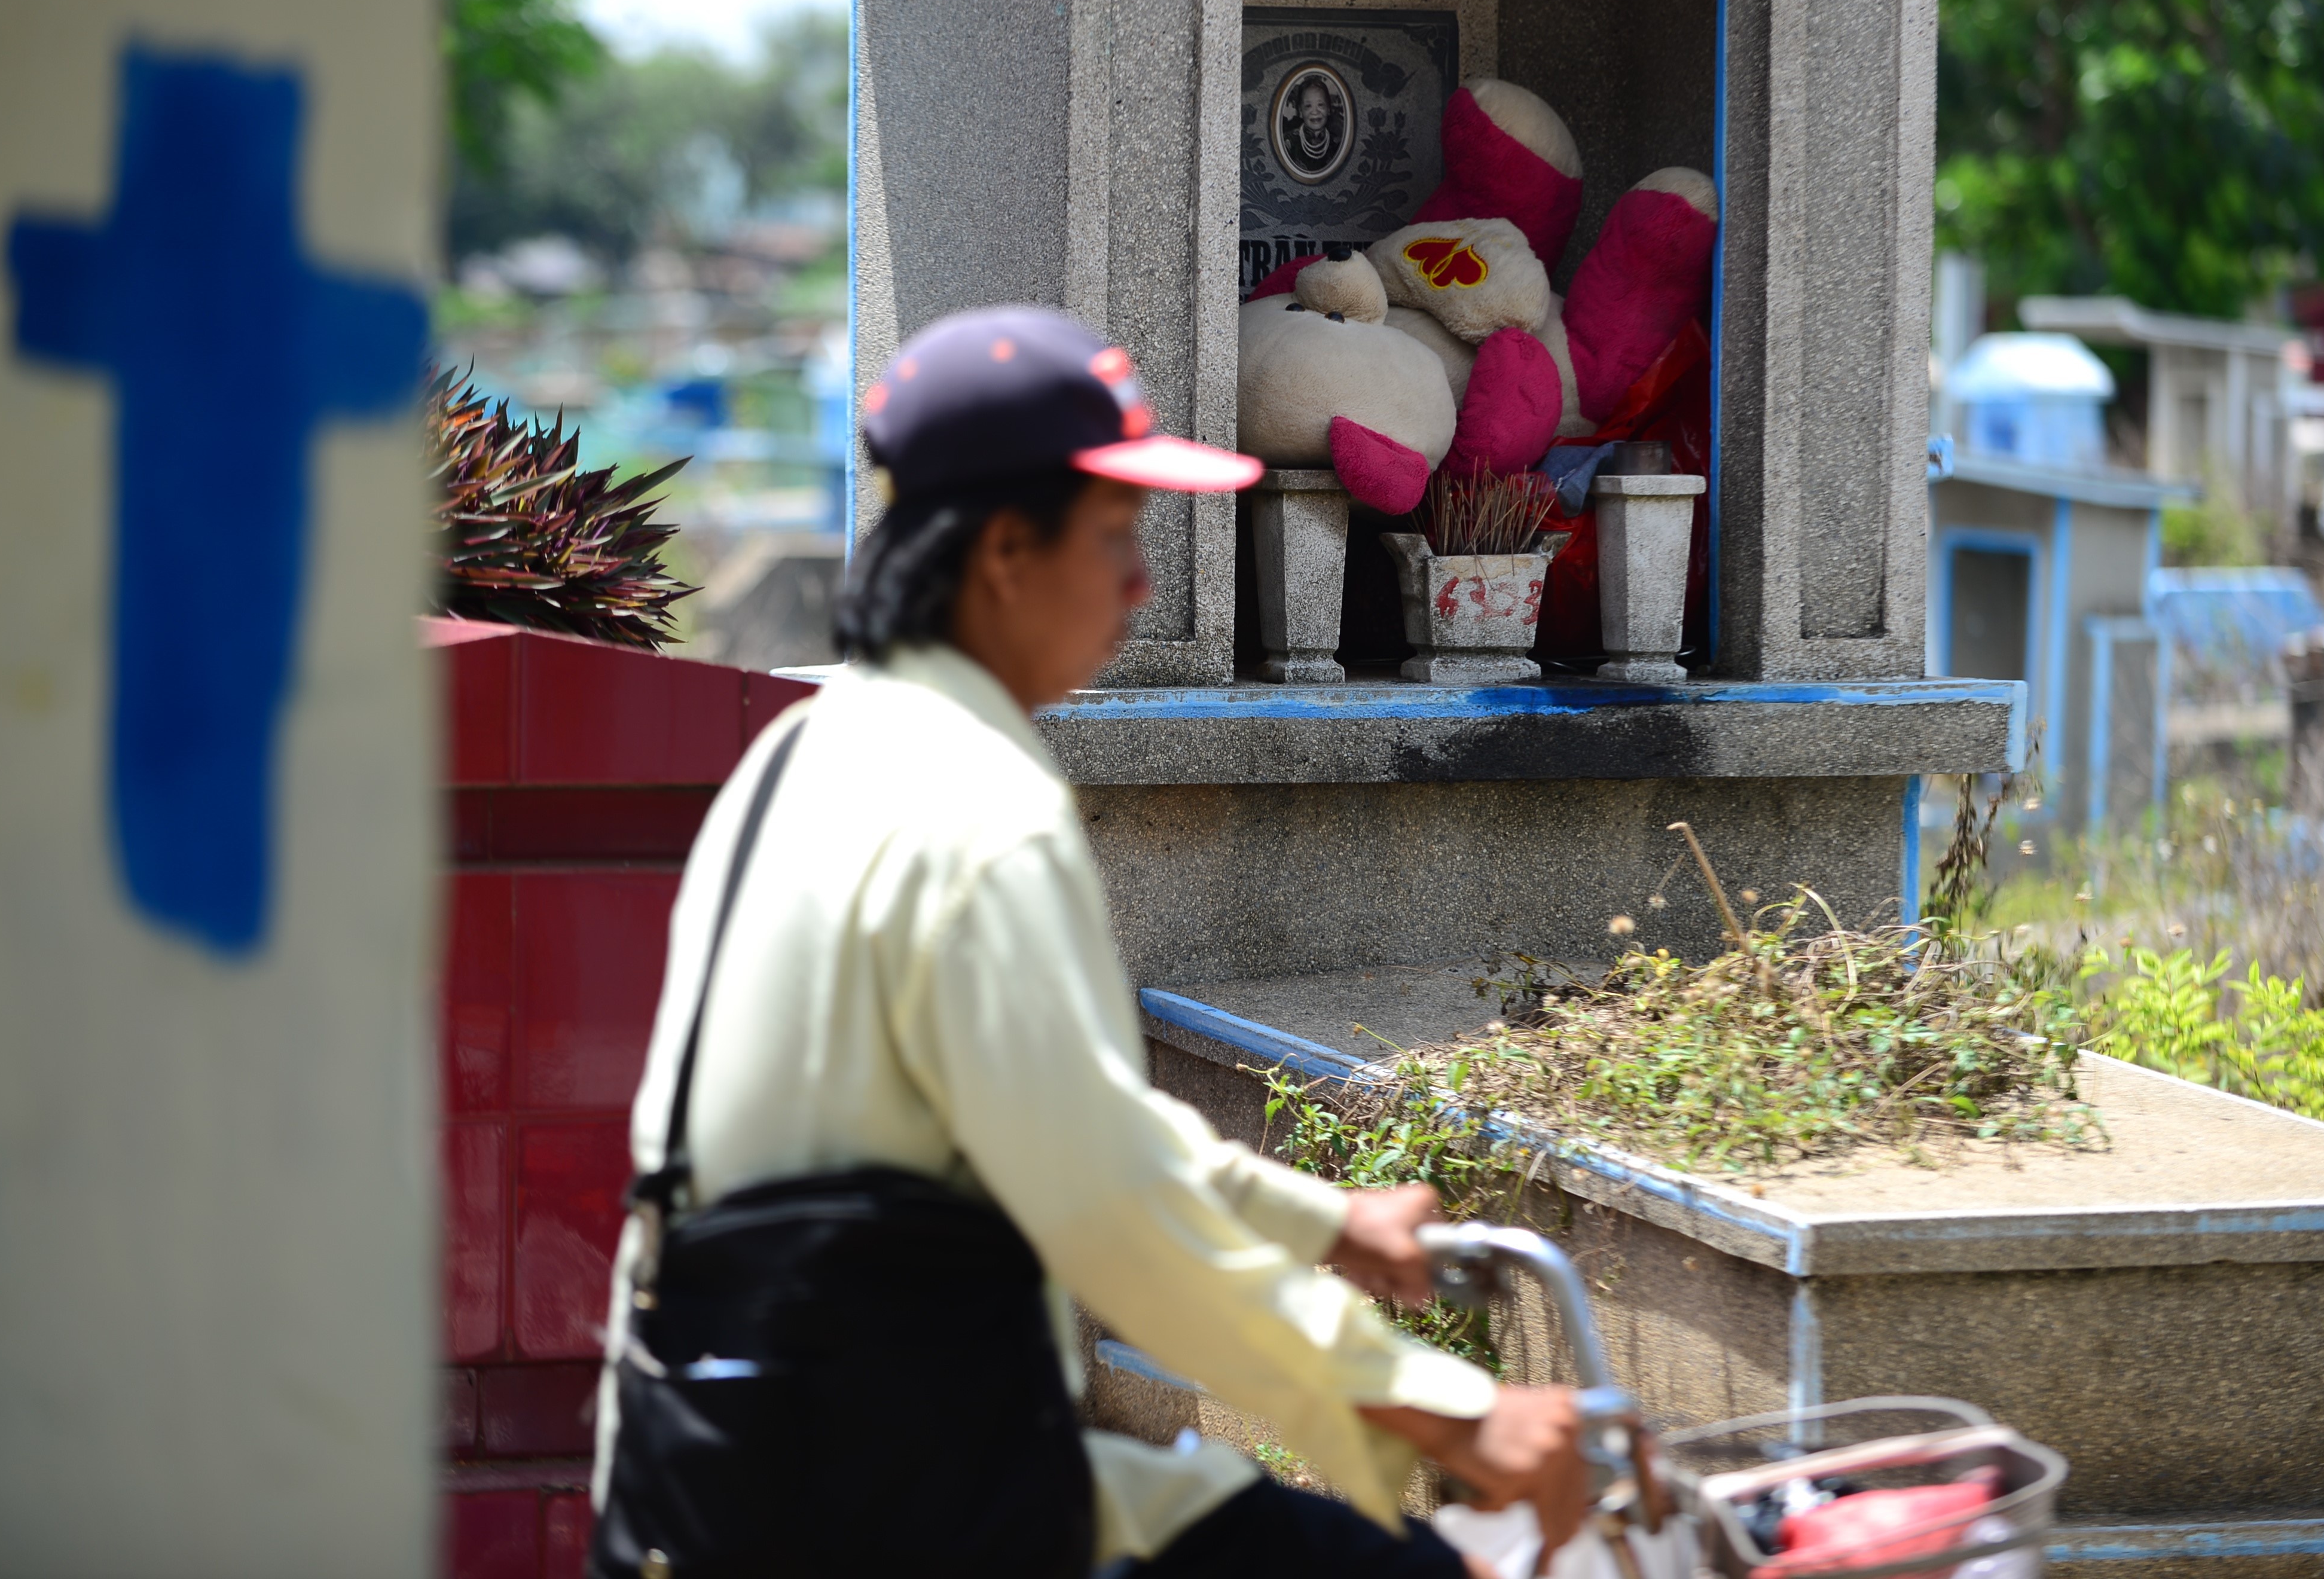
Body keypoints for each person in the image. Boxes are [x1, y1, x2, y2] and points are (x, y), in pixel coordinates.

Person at [591, 306, 1592, 1579]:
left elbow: (1080, 1122)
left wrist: (1328, 1221)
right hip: (880, 1494)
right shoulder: (978, 808)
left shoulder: (806, 754)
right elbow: (1107, 1201)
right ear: (1006, 551)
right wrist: (1450, 1408)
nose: (1142, 583)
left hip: (727, 1475)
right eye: (1114, 536)